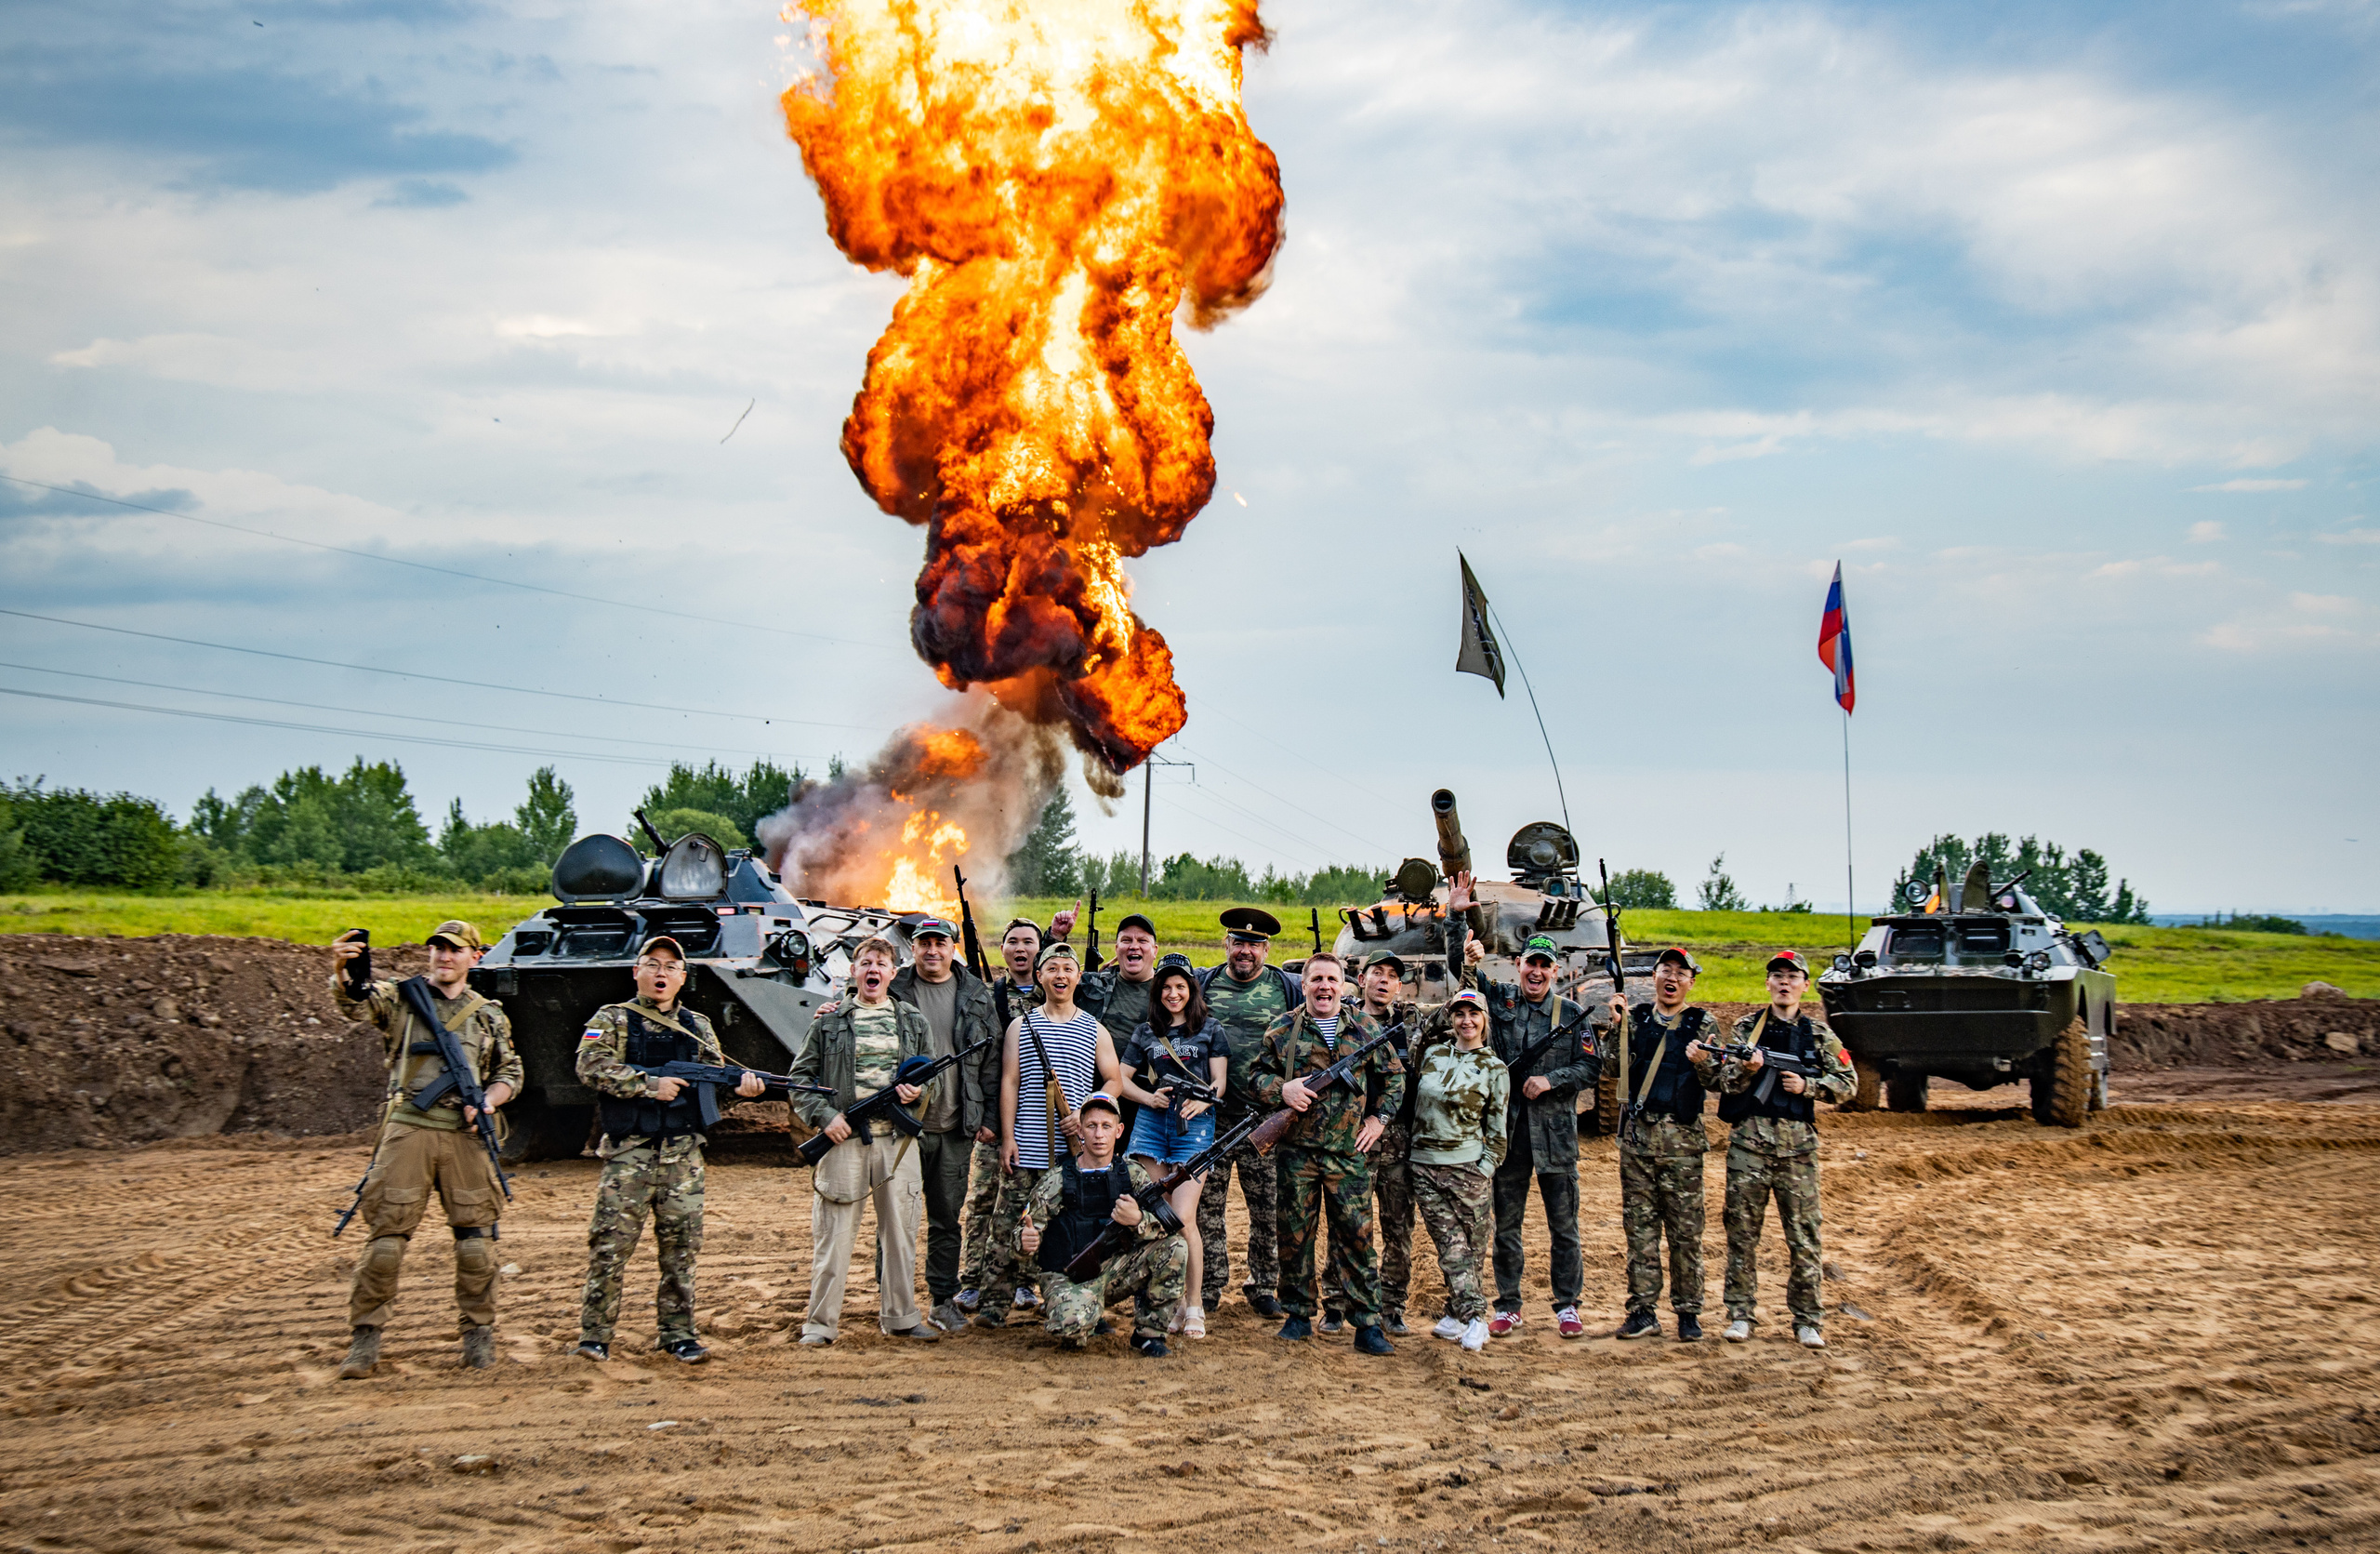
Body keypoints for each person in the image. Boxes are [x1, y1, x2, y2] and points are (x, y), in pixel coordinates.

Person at [327, 921, 522, 1378]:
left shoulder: (488, 1014)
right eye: (437, 949)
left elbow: (511, 1071)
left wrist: (488, 1103)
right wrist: (344, 972)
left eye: (454, 951)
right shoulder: (401, 997)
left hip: (464, 1134)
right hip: (409, 1128)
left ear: (475, 957)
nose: (443, 957)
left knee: (476, 1246)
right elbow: (356, 1001)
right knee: (386, 1243)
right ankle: (364, 1342)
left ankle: (478, 1338)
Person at [571, 936, 763, 1363]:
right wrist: (647, 1085)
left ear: (683, 978)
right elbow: (589, 1065)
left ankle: (677, 1333)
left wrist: (743, 1090)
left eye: (671, 967)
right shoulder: (613, 1018)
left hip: (682, 1156)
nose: (661, 973)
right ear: (635, 971)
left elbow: (713, 1084)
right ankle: (595, 1334)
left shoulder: (697, 1025)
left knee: (681, 1249)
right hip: (629, 1155)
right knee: (610, 1247)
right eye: (652, 964)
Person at [1446, 875, 1599, 1341]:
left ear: (1555, 971)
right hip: (1509, 1137)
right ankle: (1508, 1304)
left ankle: (1567, 1305)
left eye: (1545, 966)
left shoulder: (1572, 1017)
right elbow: (1461, 971)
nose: (1536, 971)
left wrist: (1550, 1080)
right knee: (1505, 1225)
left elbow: (1592, 1069)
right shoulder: (1502, 1000)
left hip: (1555, 1137)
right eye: (1530, 962)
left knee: (1564, 1227)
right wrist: (1456, 918)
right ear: (1519, 964)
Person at [787, 936, 941, 1346]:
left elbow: (933, 1081)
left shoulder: (913, 1021)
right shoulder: (829, 1021)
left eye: (882, 964)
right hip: (844, 1141)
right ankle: (820, 1325)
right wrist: (824, 1118)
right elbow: (799, 1081)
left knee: (902, 1235)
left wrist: (917, 1094)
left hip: (897, 1142)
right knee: (834, 1237)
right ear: (853, 972)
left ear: (893, 973)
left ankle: (901, 1317)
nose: (874, 970)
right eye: (866, 963)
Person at [1249, 951, 1404, 1355]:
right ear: (1304, 985)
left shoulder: (1367, 1029)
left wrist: (1378, 1121)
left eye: (1332, 980)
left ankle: (1367, 1323)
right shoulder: (1283, 1030)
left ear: (1344, 985)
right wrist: (1281, 1089)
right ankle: (1298, 1315)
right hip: (1296, 1154)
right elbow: (1257, 1076)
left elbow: (1395, 1081)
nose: (1324, 987)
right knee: (1294, 1237)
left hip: (1348, 1154)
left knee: (1356, 1238)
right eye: (1316, 979)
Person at [972, 941, 1120, 1329]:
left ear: (1078, 977)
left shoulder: (1094, 1028)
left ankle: (1071, 1302)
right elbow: (1010, 1083)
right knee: (1007, 1228)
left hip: (1072, 1155)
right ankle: (993, 1305)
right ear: (1040, 976)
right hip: (1027, 1146)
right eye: (1051, 968)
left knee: (1072, 1231)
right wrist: (1008, 1138)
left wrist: (1089, 1107)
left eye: (1067, 969)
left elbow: (1114, 1080)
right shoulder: (1021, 1027)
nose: (1060, 975)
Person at [1715, 950, 1857, 1349]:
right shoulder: (1747, 1029)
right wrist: (1747, 1070)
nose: (1783, 982)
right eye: (1777, 976)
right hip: (1750, 1146)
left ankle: (1808, 1319)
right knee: (1742, 1234)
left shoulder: (1819, 1035)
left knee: (1804, 1237)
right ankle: (1741, 1314)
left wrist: (1808, 1087)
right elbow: (1721, 1080)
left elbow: (1849, 1083)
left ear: (1804, 985)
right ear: (1767, 983)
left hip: (1798, 1150)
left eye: (1792, 977)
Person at [886, 917, 1001, 1334]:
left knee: (945, 1218)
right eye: (924, 943)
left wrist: (988, 1118)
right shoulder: (893, 989)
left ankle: (941, 1300)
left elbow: (991, 1059)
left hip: (954, 1125)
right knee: (895, 1219)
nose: (932, 950)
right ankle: (893, 1302)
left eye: (940, 942)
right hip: (902, 1127)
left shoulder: (974, 993)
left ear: (953, 948)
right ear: (912, 949)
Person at [1606, 946, 1726, 1342]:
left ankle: (1688, 1312)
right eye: (1665, 970)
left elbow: (1718, 1083)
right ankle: (1642, 1310)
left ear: (1691, 981)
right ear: (1654, 976)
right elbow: (1609, 1068)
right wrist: (1615, 1026)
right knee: (1639, 1231)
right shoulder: (1637, 1019)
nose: (1671, 978)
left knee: (1685, 1233)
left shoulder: (1702, 1023)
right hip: (1638, 1142)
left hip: (1683, 1144)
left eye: (1681, 972)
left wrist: (1703, 1062)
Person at [1016, 1091, 1189, 1356]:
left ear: (1119, 1131)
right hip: (1068, 1274)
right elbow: (1025, 1231)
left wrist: (1138, 1220)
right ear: (1080, 1131)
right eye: (1092, 1126)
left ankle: (1149, 1334)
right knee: (1069, 1328)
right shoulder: (1057, 1180)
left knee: (1176, 1248)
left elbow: (1168, 1226)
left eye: (1106, 1126)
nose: (1099, 1134)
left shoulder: (1132, 1174)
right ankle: (1088, 1312)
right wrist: (1025, 1240)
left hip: (1115, 1270)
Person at [1195, 906, 1303, 1319]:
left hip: (1266, 1117)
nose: (1246, 951)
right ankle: (1208, 1285)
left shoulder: (1286, 987)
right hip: (1213, 1116)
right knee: (1208, 1207)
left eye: (1254, 944)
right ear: (1227, 944)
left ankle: (1263, 1286)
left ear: (1266, 949)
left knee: (1268, 1207)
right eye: (1239, 942)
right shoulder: (1202, 984)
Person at [1113, 953, 1228, 1337]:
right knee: (1156, 1218)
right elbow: (1120, 1078)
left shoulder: (1210, 1028)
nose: (1173, 993)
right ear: (1157, 991)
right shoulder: (1146, 1031)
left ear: (1191, 988)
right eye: (1166, 987)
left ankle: (1193, 1305)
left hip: (1193, 1126)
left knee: (1183, 1219)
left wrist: (1205, 1099)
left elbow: (1219, 1081)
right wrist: (1147, 1099)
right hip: (1151, 1125)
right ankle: (1169, 1304)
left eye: (1180, 986)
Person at [955, 916, 1052, 1315]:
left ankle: (1024, 1282)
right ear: (1003, 950)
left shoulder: (1055, 990)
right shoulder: (987, 994)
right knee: (981, 1200)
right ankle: (973, 1281)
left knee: (1031, 1203)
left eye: (1029, 942)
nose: (1020, 949)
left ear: (1039, 949)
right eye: (1012, 942)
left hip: (1036, 1119)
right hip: (995, 1117)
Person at [1325, 949, 1420, 1335]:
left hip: (1397, 1138)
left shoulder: (1413, 1022)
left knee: (1399, 1227)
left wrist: (1466, 959)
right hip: (1354, 1138)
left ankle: (1393, 1305)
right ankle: (1334, 1303)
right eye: (1376, 973)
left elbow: (1464, 1009)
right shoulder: (1342, 1021)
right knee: (1346, 1223)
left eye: (1392, 976)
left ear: (1399, 985)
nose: (1383, 980)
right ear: (1361, 980)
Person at [1408, 989, 1509, 1352]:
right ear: (1451, 1019)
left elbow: (1498, 1131)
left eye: (1474, 1014)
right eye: (1460, 1013)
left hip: (1468, 1170)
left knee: (1472, 1249)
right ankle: (1476, 1317)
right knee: (1452, 1247)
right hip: (1426, 1166)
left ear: (1484, 1020)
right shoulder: (1433, 1054)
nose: (1467, 1020)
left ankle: (1454, 1312)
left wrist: (1484, 1169)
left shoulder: (1495, 1068)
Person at [1077, 911, 1160, 1045]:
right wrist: (1056, 937)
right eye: (1126, 940)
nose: (1133, 946)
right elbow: (1046, 979)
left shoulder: (1169, 990)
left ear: (1155, 951)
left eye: (1142, 941)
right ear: (1116, 949)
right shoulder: (1092, 983)